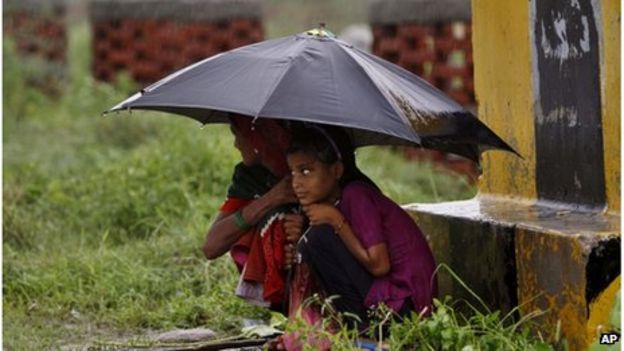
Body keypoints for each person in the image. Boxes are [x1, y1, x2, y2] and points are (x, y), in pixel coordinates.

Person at [285, 124, 438, 327]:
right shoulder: (338, 202)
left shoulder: (357, 195)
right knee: (311, 242)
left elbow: (379, 265)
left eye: (306, 171)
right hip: (391, 301)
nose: (296, 183)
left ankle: (363, 330)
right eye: (293, 172)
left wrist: (336, 220)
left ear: (336, 170)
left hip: (406, 308)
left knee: (318, 239)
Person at [203, 114, 300, 311]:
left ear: (257, 135)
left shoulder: (310, 166)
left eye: (237, 134)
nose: (236, 144)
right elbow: (211, 247)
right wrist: (271, 199)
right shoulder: (250, 177)